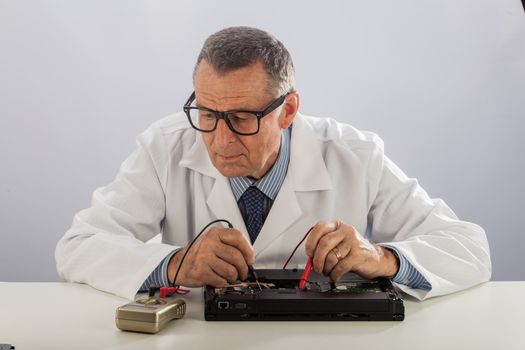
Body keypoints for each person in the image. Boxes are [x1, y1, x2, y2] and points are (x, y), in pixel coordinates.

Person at [55, 26, 491, 301]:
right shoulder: (165, 146)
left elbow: (470, 249)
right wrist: (174, 265)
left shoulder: (354, 153)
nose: (219, 140)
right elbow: (79, 246)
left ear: (288, 110)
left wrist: (382, 258)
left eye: (242, 118)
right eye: (207, 114)